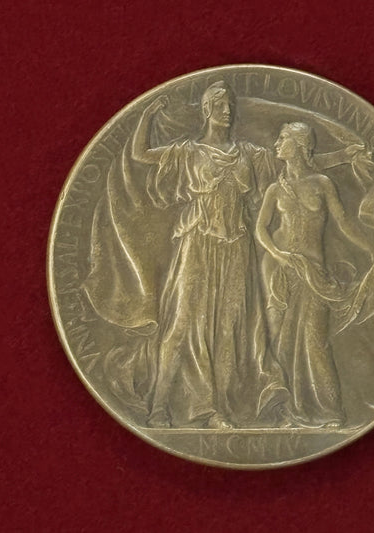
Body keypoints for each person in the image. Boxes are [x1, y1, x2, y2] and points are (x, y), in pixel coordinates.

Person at [130, 82, 288, 428]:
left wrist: (342, 156)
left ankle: (214, 409)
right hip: (198, 240)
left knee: (230, 327)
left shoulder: (248, 154)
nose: (227, 110)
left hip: (237, 246)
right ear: (206, 111)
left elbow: (295, 162)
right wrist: (147, 115)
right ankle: (159, 406)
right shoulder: (188, 152)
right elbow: (140, 154)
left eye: (229, 104)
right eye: (219, 105)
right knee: (182, 322)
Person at [255, 122, 374, 428]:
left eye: (283, 138)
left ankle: (329, 413)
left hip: (314, 273)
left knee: (315, 341)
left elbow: (343, 223)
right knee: (280, 340)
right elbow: (261, 228)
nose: (276, 144)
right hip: (280, 271)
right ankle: (287, 412)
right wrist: (277, 255)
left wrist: (371, 248)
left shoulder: (321, 184)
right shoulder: (275, 189)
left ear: (300, 145)